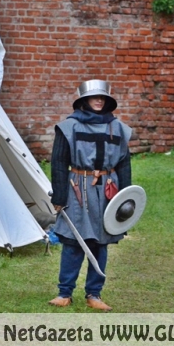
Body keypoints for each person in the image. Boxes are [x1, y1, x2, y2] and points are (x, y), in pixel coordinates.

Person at [48, 79, 132, 312]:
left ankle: (94, 293)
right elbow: (59, 162)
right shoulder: (69, 127)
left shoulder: (118, 128)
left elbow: (124, 164)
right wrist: (59, 197)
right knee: (73, 241)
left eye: (102, 97)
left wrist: (126, 197)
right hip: (78, 188)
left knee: (100, 242)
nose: (99, 100)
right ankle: (65, 292)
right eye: (94, 97)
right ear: (84, 100)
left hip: (107, 190)